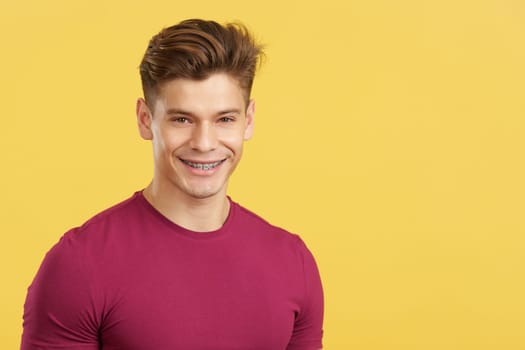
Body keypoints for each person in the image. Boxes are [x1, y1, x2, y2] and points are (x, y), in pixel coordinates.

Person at [21, 19, 324, 350]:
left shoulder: (294, 263)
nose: (205, 142)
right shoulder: (78, 266)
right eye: (182, 119)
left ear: (247, 121)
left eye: (225, 119)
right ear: (145, 119)